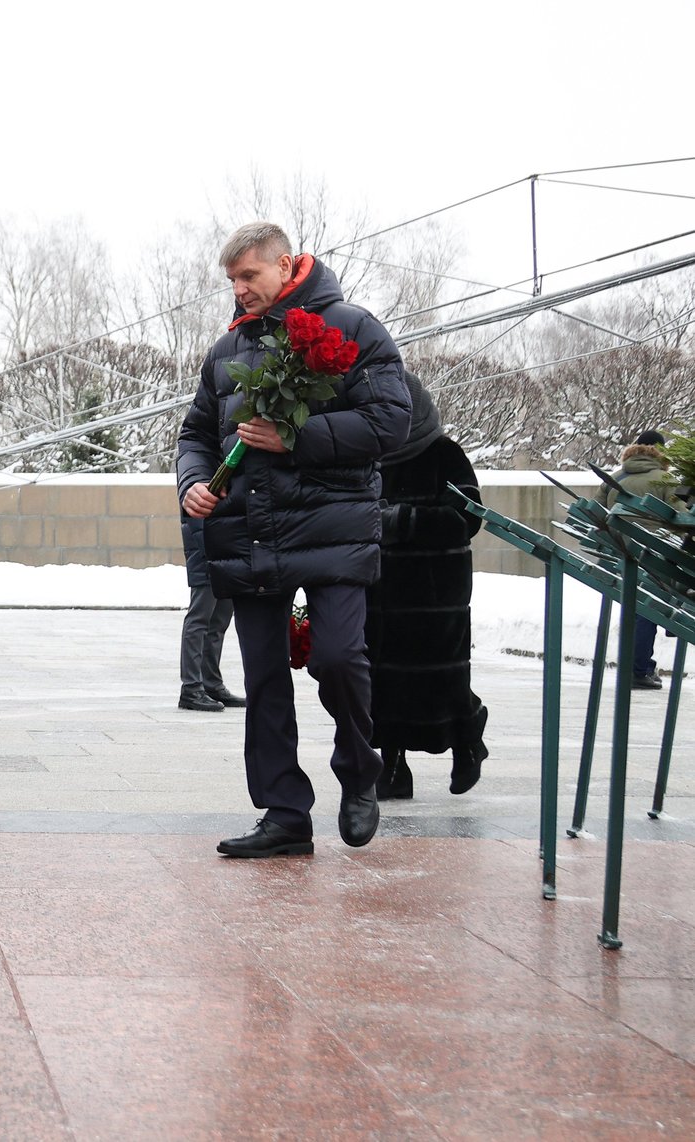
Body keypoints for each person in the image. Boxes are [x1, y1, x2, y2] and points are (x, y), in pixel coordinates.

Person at [176, 222, 411, 858]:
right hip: (248, 532)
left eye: (249, 276)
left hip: (333, 527)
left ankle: (361, 773)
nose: (239, 289)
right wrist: (194, 484)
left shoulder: (353, 328)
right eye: (231, 280)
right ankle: (285, 814)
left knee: (338, 658)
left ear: (286, 265)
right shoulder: (228, 348)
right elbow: (196, 432)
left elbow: (391, 421)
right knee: (264, 682)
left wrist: (296, 438)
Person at [367, 375, 490, 799]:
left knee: (442, 681)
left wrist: (400, 521)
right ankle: (393, 765)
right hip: (381, 593)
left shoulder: (444, 453)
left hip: (436, 596)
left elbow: (468, 518)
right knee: (385, 682)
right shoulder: (367, 456)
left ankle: (467, 742)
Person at [599, 429, 686, 690]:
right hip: (653, 555)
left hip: (620, 553)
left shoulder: (616, 478)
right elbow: (682, 517)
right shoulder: (665, 479)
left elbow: (597, 513)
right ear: (661, 451)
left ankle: (639, 666)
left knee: (636, 610)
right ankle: (638, 669)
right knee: (648, 611)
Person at [178, 513, 242, 712]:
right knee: (199, 619)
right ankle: (191, 688)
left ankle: (211, 685)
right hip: (208, 553)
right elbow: (196, 517)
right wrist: (216, 548)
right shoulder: (198, 482)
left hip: (228, 553)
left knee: (219, 622)